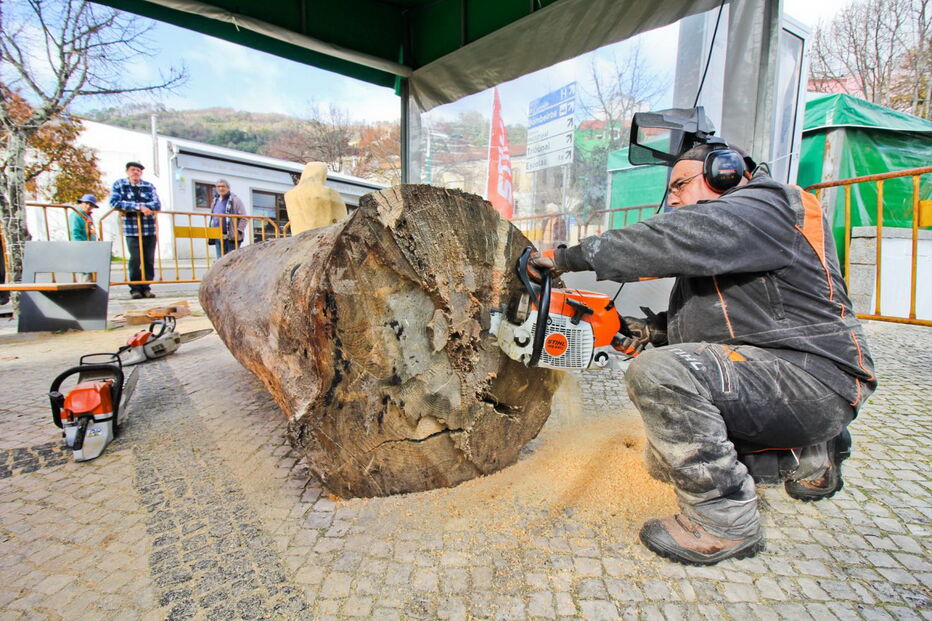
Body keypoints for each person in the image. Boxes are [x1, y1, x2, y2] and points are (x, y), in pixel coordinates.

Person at [529, 142, 876, 566]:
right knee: (663, 461)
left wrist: (565, 256)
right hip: (794, 378)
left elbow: (668, 240)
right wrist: (649, 330)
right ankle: (814, 454)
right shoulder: (741, 234)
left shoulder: (768, 205)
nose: (672, 198)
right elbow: (731, 322)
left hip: (813, 379)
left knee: (658, 374)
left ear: (724, 173)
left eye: (679, 185)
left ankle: (724, 522)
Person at [109, 162, 160, 299]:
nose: (135, 172)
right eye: (133, 170)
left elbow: (157, 204)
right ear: (127, 171)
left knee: (148, 260)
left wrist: (132, 207)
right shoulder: (120, 185)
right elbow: (115, 203)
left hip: (149, 228)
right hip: (132, 229)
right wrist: (140, 208)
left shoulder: (148, 186)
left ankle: (146, 287)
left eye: (138, 170)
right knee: (135, 259)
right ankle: (135, 288)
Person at [208, 179, 247, 258]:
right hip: (218, 236)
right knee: (220, 260)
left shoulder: (235, 200)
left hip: (232, 236)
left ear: (228, 188)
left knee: (231, 260)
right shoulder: (215, 201)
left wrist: (238, 231)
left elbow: (244, 218)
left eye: (223, 186)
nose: (221, 188)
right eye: (218, 186)